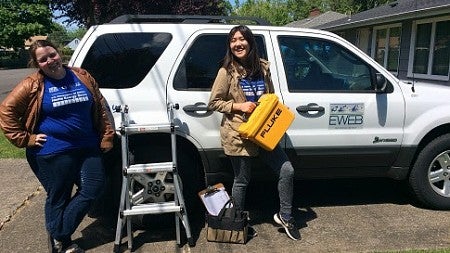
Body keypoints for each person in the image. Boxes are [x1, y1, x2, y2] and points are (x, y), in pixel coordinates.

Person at [0, 40, 114, 253]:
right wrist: (26, 139)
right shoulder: (32, 84)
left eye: (51, 55)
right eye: (43, 59)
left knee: (93, 188)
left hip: (88, 146)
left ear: (58, 52)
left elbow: (100, 105)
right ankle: (62, 245)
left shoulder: (81, 76)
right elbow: (6, 111)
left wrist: (107, 135)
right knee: (59, 196)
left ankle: (59, 233)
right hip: (52, 151)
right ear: (37, 64)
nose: (50, 61)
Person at [208, 25, 300, 241]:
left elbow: (270, 95)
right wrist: (240, 106)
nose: (237, 43)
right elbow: (213, 102)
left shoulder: (262, 68)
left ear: (250, 42)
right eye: (233, 40)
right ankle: (236, 224)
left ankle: (285, 216)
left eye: (241, 39)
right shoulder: (226, 71)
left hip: (264, 131)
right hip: (239, 133)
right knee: (242, 180)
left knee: (286, 170)